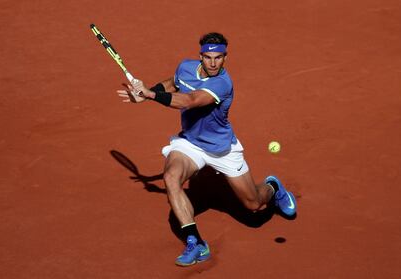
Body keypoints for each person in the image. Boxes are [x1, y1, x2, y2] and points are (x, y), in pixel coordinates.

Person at [117, 32, 297, 267]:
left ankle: (274, 187)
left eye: (219, 58)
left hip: (221, 149)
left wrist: (150, 95)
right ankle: (196, 242)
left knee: (254, 205)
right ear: (200, 56)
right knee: (171, 178)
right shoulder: (185, 67)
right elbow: (173, 83)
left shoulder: (222, 84)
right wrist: (147, 92)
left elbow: (190, 100)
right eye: (208, 57)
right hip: (190, 143)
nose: (213, 63)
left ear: (225, 58)